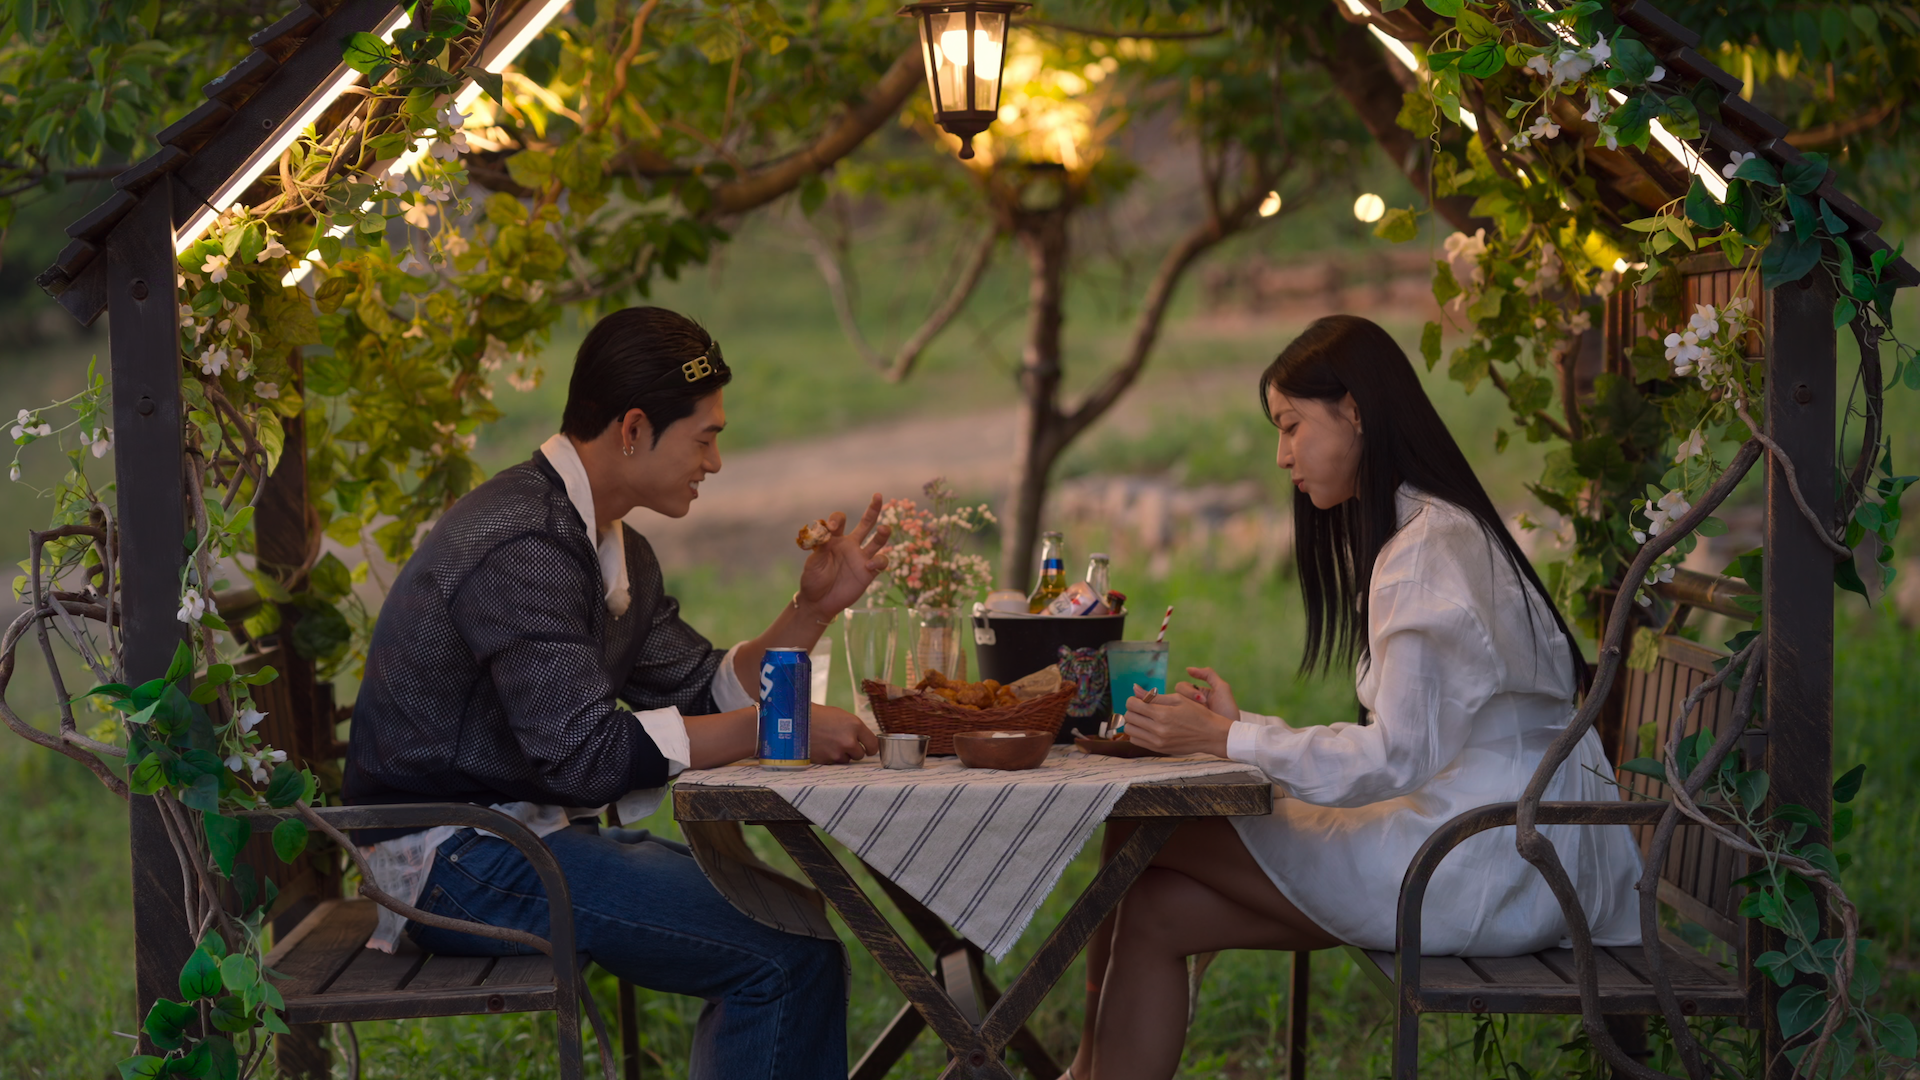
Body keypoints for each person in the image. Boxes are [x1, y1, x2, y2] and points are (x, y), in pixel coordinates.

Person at [1066, 315, 1643, 1080]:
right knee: (1154, 912)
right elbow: (1419, 737)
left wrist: (1227, 741)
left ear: (1357, 412)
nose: (1283, 456)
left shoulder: (1426, 555)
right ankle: (1084, 1070)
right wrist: (1240, 731)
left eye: (1292, 426)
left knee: (1146, 820)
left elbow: (1398, 755)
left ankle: (1077, 1070)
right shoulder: (1433, 532)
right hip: (1498, 837)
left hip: (1486, 860)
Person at [343, 306, 885, 1080]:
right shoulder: (524, 544)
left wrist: (813, 610)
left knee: (794, 928)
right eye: (706, 437)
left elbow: (699, 692)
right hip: (455, 863)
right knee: (784, 956)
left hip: (512, 840)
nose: (716, 463)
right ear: (633, 430)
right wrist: (778, 732)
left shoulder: (603, 541)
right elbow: (586, 757)